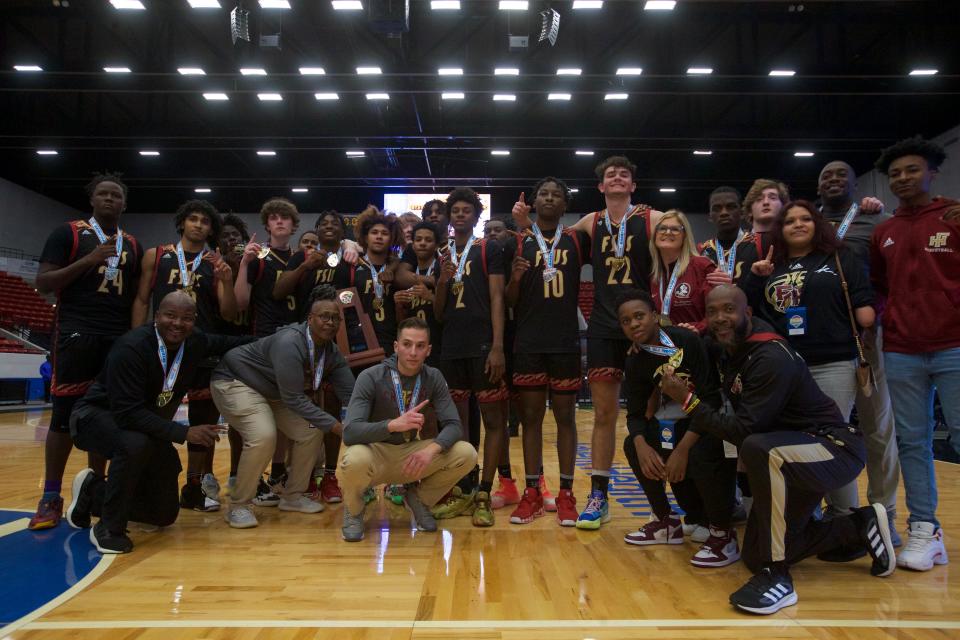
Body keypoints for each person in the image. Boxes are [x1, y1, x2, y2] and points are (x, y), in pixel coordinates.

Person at [658, 285, 895, 614]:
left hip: (833, 447)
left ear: (748, 314)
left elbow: (745, 430)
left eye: (729, 310)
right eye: (711, 312)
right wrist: (642, 346)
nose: (719, 319)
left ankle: (778, 577)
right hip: (789, 456)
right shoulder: (727, 347)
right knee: (755, 554)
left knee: (757, 447)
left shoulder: (769, 356)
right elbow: (679, 342)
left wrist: (687, 400)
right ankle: (856, 526)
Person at [513, 155, 663, 530]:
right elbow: (547, 238)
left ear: (632, 184)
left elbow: (684, 249)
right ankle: (598, 495)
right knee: (603, 416)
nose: (616, 178)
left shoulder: (654, 218)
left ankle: (665, 502)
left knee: (652, 413)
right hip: (602, 327)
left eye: (623, 174)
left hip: (645, 327)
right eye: (610, 174)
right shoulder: (589, 224)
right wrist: (523, 224)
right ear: (600, 187)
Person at [65, 291, 253, 553]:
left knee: (162, 515)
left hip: (145, 425)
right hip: (95, 417)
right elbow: (128, 414)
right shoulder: (131, 347)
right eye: (170, 315)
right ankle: (108, 527)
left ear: (194, 321)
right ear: (156, 317)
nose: (177, 323)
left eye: (186, 318)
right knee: (135, 443)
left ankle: (93, 490)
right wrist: (184, 433)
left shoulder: (195, 341)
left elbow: (230, 342)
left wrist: (278, 340)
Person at [745, 200, 876, 543]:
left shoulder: (840, 257)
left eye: (806, 219)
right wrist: (756, 278)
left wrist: (868, 324)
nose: (798, 224)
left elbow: (863, 305)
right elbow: (750, 309)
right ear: (780, 229)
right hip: (786, 366)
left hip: (832, 361)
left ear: (818, 224)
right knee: (793, 443)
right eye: (790, 221)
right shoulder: (770, 265)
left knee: (829, 442)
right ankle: (810, 518)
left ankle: (847, 518)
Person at [30, 172, 142, 530]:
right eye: (103, 194)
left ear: (125, 204)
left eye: (116, 196)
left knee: (107, 416)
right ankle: (50, 496)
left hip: (117, 338)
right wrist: (88, 260)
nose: (110, 199)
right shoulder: (69, 233)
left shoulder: (133, 244)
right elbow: (44, 283)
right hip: (76, 334)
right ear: (92, 199)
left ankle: (96, 486)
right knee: (64, 415)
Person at [870, 136, 960, 571]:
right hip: (902, 351)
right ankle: (926, 529)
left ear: (931, 172)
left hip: (954, 346)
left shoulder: (953, 217)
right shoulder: (884, 231)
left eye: (911, 170)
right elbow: (881, 290)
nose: (903, 178)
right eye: (895, 174)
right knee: (912, 442)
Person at [211, 285, 355, 528]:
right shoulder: (290, 342)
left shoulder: (331, 352)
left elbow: (352, 395)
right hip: (235, 380)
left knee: (310, 430)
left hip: (270, 391)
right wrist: (338, 427)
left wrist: (375, 422)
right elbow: (294, 400)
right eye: (323, 317)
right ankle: (238, 506)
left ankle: (293, 496)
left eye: (335, 318)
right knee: (264, 435)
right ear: (310, 319)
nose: (330, 322)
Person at [616, 289, 738, 566]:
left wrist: (682, 450)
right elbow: (634, 414)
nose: (634, 324)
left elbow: (710, 398)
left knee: (704, 449)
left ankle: (723, 533)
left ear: (655, 316)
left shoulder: (687, 341)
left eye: (639, 316)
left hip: (708, 423)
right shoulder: (635, 360)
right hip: (675, 425)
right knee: (634, 443)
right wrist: (641, 445)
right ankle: (665, 521)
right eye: (626, 321)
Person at [131, 200, 237, 513]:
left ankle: (194, 486)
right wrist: (135, 339)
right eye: (193, 219)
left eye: (205, 221)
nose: (199, 225)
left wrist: (227, 280)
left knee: (202, 421)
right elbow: (140, 299)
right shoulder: (157, 255)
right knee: (151, 415)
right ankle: (141, 479)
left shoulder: (214, 262)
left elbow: (229, 314)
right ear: (182, 223)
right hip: (159, 348)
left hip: (198, 351)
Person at [817, 160, 901, 550]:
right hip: (821, 342)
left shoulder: (876, 219)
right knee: (828, 432)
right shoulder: (806, 223)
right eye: (825, 176)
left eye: (841, 176)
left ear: (856, 184)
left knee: (877, 429)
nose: (833, 180)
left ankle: (886, 513)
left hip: (868, 337)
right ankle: (840, 514)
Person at [337, 317, 478, 541]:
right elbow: (350, 432)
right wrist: (392, 425)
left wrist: (431, 449)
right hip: (375, 454)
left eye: (420, 346)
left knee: (466, 453)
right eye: (407, 344)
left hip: (410, 455)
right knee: (353, 459)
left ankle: (419, 499)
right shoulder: (370, 377)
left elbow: (454, 425)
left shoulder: (433, 377)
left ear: (428, 350)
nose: (413, 352)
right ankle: (354, 511)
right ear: (396, 346)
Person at [505, 177, 589, 527]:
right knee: (531, 419)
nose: (550, 198)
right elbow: (509, 301)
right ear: (534, 202)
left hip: (565, 340)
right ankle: (532, 493)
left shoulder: (577, 240)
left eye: (557, 195)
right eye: (544, 194)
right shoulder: (518, 242)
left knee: (567, 417)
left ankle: (567, 493)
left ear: (565, 205)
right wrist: (515, 277)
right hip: (528, 341)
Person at [432, 187, 509, 527]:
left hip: (482, 345)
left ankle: (485, 492)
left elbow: (496, 298)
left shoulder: (488, 248)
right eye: (456, 210)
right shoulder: (442, 253)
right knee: (459, 425)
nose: (461, 214)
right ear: (450, 217)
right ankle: (464, 489)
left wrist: (497, 346)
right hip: (451, 346)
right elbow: (438, 312)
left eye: (467, 210)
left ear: (476, 217)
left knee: (493, 422)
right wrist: (443, 282)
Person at [234, 198, 300, 337]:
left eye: (285, 217)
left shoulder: (300, 258)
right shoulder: (256, 256)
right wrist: (244, 263)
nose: (279, 221)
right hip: (266, 336)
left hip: (297, 333)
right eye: (273, 218)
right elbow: (240, 304)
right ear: (267, 226)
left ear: (293, 225)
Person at [649, 209, 718, 333]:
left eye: (675, 229)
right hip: (667, 346)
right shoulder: (654, 276)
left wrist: (698, 328)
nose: (668, 232)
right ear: (655, 235)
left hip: (698, 343)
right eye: (662, 228)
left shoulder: (701, 266)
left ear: (685, 236)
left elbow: (718, 311)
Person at [354, 210, 405, 357]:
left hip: (391, 339)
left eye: (385, 233)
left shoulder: (399, 269)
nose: (379, 236)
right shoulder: (352, 266)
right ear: (365, 237)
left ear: (391, 238)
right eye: (374, 232)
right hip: (360, 339)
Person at [393, 221, 444, 367]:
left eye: (428, 240)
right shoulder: (408, 277)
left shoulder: (442, 272)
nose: (422, 243)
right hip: (414, 350)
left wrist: (430, 297)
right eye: (418, 240)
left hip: (438, 345)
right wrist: (399, 307)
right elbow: (402, 323)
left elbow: (450, 313)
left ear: (436, 245)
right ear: (413, 245)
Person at [698, 186, 764, 285]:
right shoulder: (701, 251)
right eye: (717, 208)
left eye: (731, 207)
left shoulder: (759, 244)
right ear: (710, 216)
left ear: (742, 213)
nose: (724, 212)